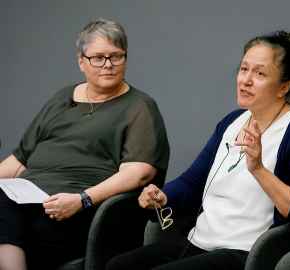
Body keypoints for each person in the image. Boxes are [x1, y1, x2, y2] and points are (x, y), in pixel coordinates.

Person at [106, 30, 290, 270]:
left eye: (260, 73)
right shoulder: (232, 122)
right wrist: (163, 196)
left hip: (245, 254)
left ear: (283, 87)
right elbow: (193, 181)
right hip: (198, 242)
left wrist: (258, 169)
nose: (246, 80)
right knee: (118, 266)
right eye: (244, 69)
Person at [0, 18, 169, 270]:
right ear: (81, 61)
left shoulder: (139, 107)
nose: (108, 65)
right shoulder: (62, 98)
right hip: (23, 200)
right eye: (98, 57)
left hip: (78, 210)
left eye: (116, 56)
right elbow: (17, 162)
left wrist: (82, 199)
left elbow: (139, 173)